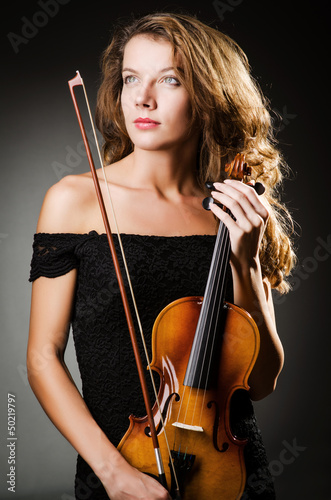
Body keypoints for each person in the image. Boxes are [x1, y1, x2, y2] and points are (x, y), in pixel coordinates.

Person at [27, 12, 296, 500]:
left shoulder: (231, 210)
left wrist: (246, 261)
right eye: (131, 78)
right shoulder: (74, 200)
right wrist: (112, 472)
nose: (142, 98)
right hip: (118, 469)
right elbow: (43, 356)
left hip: (228, 470)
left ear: (210, 95)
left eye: (170, 79)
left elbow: (260, 383)